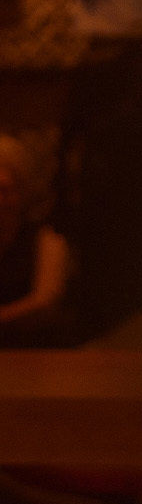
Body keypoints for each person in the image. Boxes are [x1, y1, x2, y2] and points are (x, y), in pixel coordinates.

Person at [0, 133, 72, 347]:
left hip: (38, 349)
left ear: (21, 191)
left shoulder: (45, 238)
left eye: (5, 190)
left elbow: (45, 300)